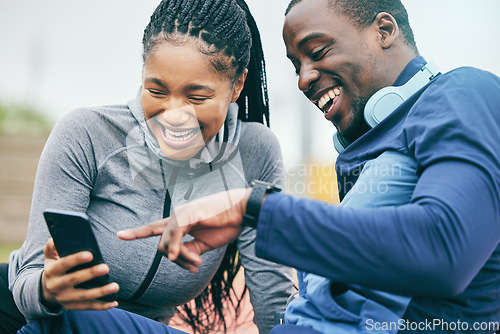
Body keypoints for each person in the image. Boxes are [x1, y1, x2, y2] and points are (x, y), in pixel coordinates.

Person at [120, 0, 500, 333]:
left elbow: (446, 250)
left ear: (383, 30)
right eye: (296, 64)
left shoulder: (464, 91)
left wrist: (253, 208)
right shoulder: (368, 158)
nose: (303, 79)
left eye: (317, 51)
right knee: (67, 319)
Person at [0, 0, 296, 333]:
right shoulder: (87, 133)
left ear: (237, 85)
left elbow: (275, 297)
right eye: (156, 90)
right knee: (76, 317)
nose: (174, 114)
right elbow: (26, 281)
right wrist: (47, 288)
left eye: (197, 97)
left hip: (129, 327)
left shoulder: (254, 153)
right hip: (32, 315)